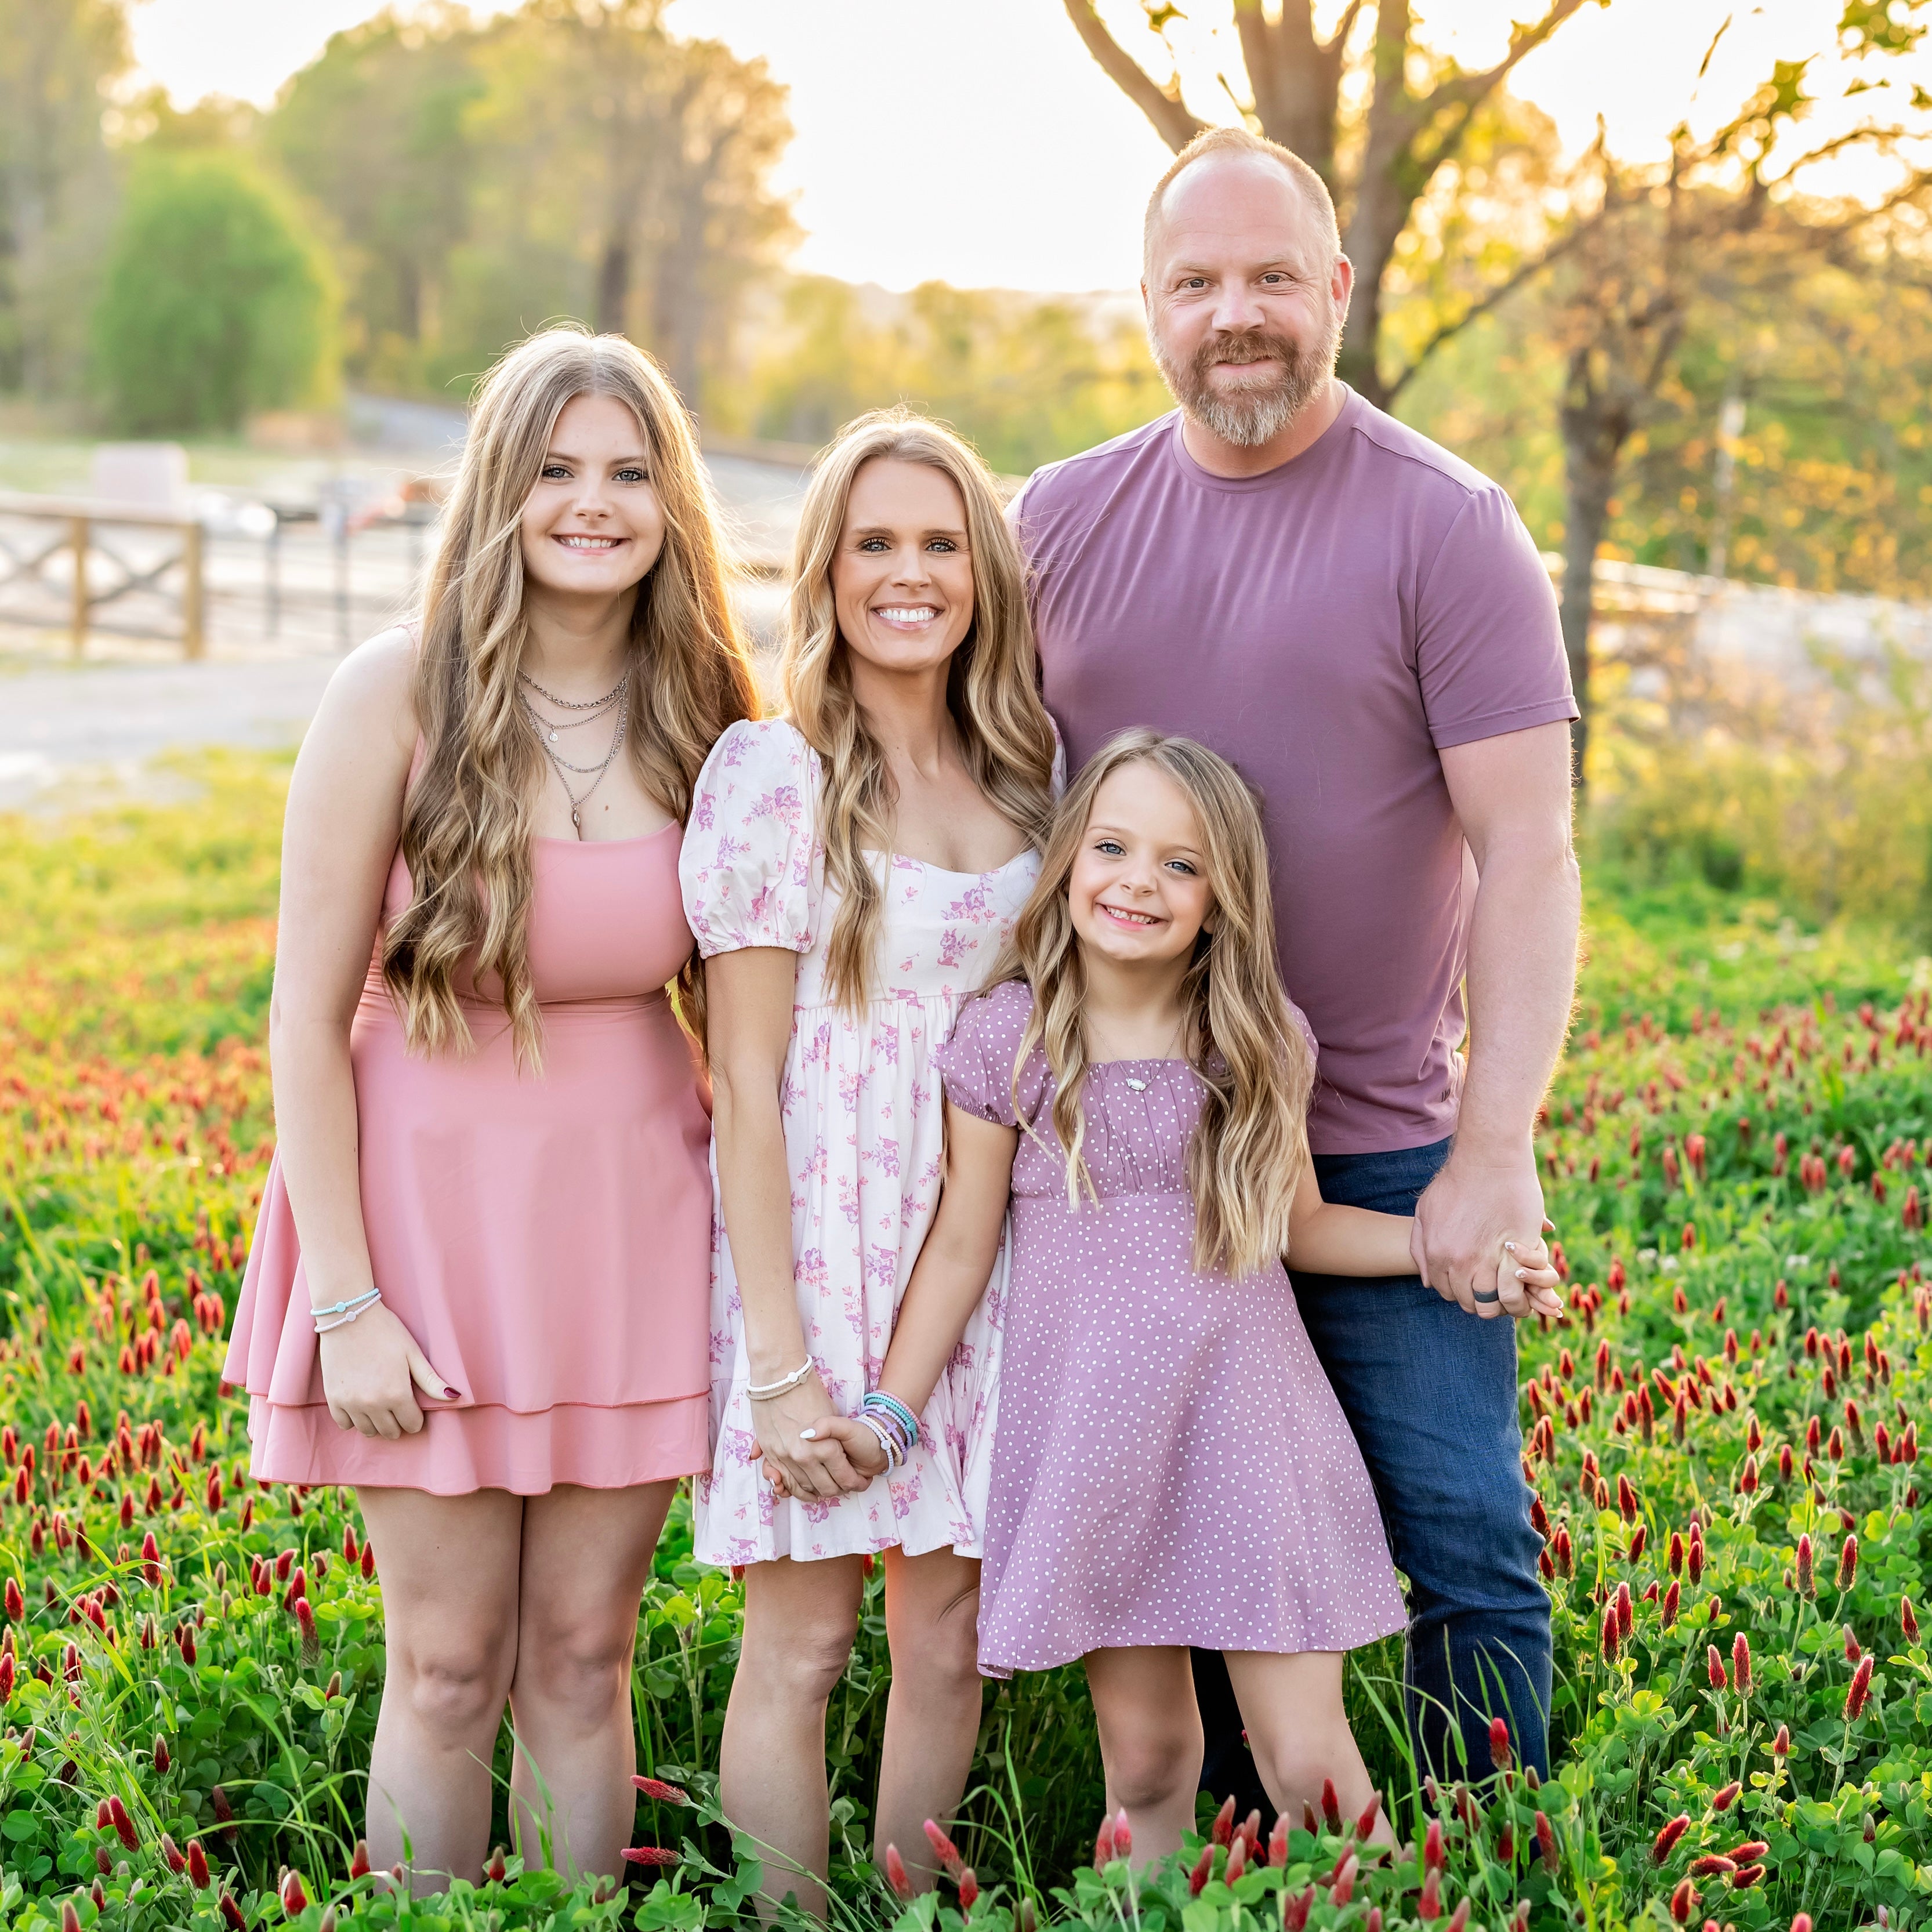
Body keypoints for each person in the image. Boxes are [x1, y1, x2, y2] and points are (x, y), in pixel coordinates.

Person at [1011, 125, 1583, 1787]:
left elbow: (1526, 852)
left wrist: (1492, 1157)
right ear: (1145, 306)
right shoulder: (1055, 521)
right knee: (1192, 1559)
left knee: (1461, 1539)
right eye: (1196, 282)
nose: (1234, 314)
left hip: (1384, 1137)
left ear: (1336, 287)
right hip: (1138, 1153)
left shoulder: (1446, 524)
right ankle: (1253, 1873)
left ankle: (1491, 1868)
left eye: (1271, 276)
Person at [811, 731, 1562, 1865]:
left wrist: (1450, 1250)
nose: (1137, 882)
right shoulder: (1006, 1040)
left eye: (1180, 864)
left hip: (1250, 1435)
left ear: (1220, 900)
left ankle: (1386, 1905)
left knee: (1303, 1758)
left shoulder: (1250, 1042)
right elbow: (962, 1246)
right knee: (1151, 1762)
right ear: (1064, 862)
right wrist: (889, 1414)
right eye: (1111, 846)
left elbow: (1300, 1227)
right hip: (1101, 1448)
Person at [226, 326, 757, 1888]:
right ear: (498, 489)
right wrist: (347, 1296)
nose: (590, 504)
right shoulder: (394, 691)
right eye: (553, 470)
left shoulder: (712, 708)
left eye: (626, 471)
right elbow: (304, 1020)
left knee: (584, 1660)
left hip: (628, 1237)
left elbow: (760, 1013)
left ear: (671, 501)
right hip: (418, 1241)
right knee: (449, 1664)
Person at [677, 410, 1060, 1912]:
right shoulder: (777, 773)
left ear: (984, 571)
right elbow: (747, 1085)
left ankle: (908, 1906)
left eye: (941, 543)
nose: (909, 574)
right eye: (875, 543)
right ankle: (787, 1912)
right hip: (822, 1234)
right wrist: (777, 1361)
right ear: (827, 569)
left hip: (978, 1236)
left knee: (947, 1627)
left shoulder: (1025, 769)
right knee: (805, 1643)